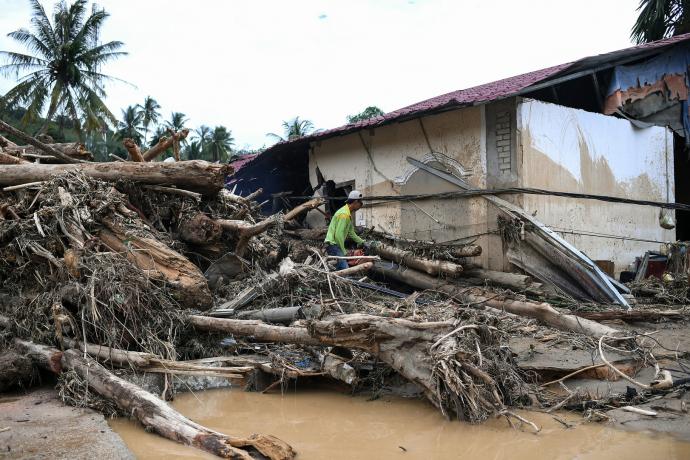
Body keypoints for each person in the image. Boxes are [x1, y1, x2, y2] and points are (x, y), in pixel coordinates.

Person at [324, 190, 365, 270]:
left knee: (340, 267)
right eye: (360, 203)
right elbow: (338, 235)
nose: (361, 205)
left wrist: (362, 242)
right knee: (345, 268)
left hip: (335, 244)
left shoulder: (347, 214)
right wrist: (344, 252)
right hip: (333, 244)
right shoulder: (344, 215)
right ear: (356, 202)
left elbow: (351, 233)